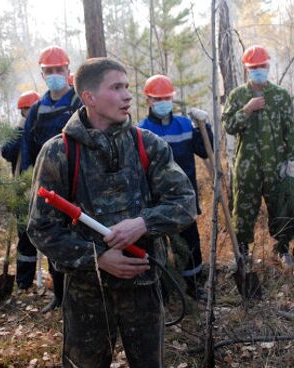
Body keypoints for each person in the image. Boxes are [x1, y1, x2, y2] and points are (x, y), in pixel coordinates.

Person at [27, 58, 196, 368]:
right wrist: (98, 257)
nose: (127, 96)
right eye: (116, 88)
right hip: (86, 295)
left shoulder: (148, 145)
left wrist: (144, 223)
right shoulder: (59, 152)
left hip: (143, 289)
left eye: (127, 87)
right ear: (89, 97)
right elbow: (41, 229)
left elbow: (185, 202)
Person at [222, 45, 294, 268]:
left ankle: (282, 249)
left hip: (276, 166)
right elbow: (229, 126)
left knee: (280, 208)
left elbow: (293, 130)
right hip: (247, 167)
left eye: (262, 66)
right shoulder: (238, 95)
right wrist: (246, 110)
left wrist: (293, 161)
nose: (258, 70)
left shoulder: (280, 96)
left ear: (268, 66)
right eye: (254, 67)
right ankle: (242, 252)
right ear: (247, 69)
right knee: (243, 209)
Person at [137, 74, 212, 301]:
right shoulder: (141, 130)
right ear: (148, 100)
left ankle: (194, 286)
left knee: (190, 244)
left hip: (185, 199)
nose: (162, 102)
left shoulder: (185, 125)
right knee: (157, 246)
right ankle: (162, 289)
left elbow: (205, 150)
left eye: (166, 97)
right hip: (155, 200)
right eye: (157, 98)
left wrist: (203, 127)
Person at [20, 46, 82, 311]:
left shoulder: (79, 102)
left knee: (79, 237)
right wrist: (27, 182)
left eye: (60, 69)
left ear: (68, 71)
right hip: (47, 187)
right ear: (42, 74)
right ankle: (59, 294)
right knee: (53, 239)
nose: (55, 74)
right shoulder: (36, 109)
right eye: (50, 71)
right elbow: (26, 147)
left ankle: (80, 293)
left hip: (78, 181)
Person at [1, 91, 40, 292]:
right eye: (26, 109)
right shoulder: (17, 131)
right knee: (25, 238)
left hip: (44, 190)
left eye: (32, 107)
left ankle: (57, 283)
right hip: (22, 191)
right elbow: (6, 152)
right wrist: (19, 133)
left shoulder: (43, 128)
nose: (29, 111)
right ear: (22, 111)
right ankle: (24, 282)